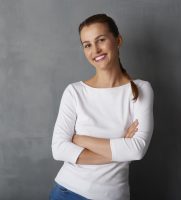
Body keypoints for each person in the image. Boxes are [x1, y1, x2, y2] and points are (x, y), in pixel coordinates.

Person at [49, 13, 154, 200]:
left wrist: (80, 139)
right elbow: (58, 149)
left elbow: (136, 150)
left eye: (101, 40)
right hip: (68, 192)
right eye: (87, 45)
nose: (95, 50)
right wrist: (120, 147)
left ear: (118, 40)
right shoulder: (74, 92)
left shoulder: (141, 90)